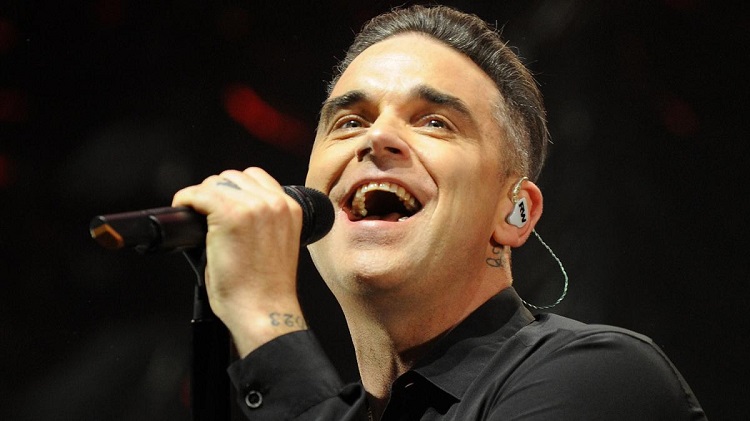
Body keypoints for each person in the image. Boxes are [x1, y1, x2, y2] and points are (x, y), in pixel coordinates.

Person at [173, 5, 706, 420]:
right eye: (350, 121)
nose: (377, 137)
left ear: (515, 211)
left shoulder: (601, 378)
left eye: (435, 122)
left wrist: (264, 315)